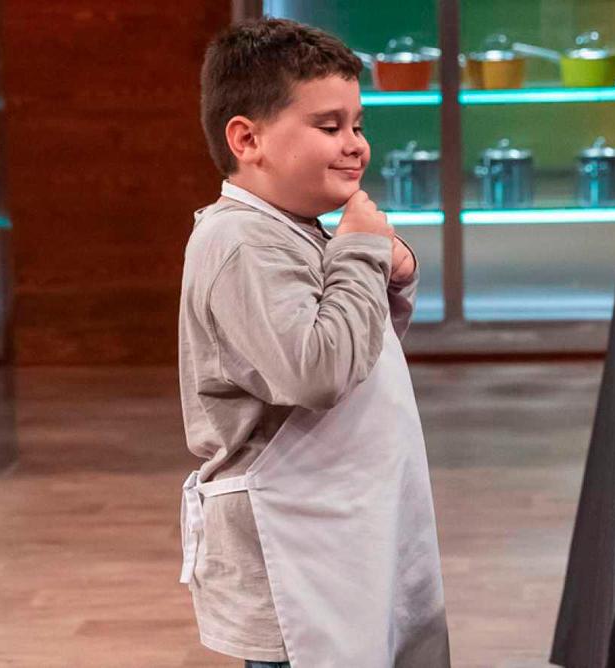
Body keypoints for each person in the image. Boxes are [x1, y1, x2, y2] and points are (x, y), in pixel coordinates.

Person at [176, 18, 449, 667]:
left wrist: (386, 268)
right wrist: (360, 247)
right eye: (329, 127)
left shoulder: (297, 227)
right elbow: (317, 372)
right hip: (293, 552)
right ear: (247, 138)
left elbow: (359, 356)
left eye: (357, 125)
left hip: (345, 531)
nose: (355, 145)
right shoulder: (236, 242)